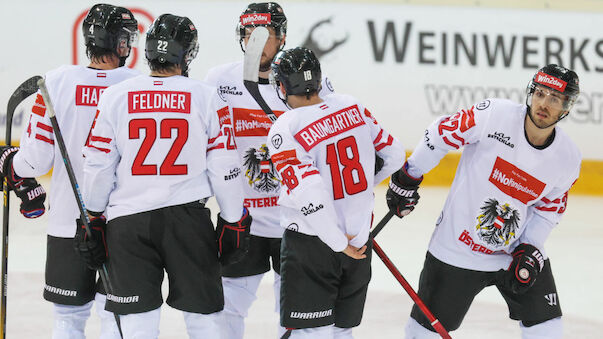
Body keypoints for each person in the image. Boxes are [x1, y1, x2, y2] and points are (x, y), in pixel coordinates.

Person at [81, 14, 251, 338]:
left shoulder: (116, 95)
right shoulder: (206, 96)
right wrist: (233, 220)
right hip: (187, 221)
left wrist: (92, 216)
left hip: (127, 223)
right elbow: (224, 168)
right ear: (187, 53)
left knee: (135, 323)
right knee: (206, 320)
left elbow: (97, 165)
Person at [386, 64, 581, 339]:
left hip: (512, 252)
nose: (543, 103)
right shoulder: (494, 115)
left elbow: (548, 210)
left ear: (566, 107)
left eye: (554, 99)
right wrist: (409, 175)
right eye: (540, 93)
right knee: (423, 334)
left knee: (548, 330)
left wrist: (530, 246)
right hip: (458, 248)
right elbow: (441, 133)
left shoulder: (568, 158)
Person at [0, 4, 140, 338]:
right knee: (115, 316)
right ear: (118, 42)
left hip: (67, 220)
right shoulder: (138, 85)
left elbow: (35, 161)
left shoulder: (56, 82)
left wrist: (10, 163)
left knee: (67, 319)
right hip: (124, 223)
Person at [203, 3, 334, 338]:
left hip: (295, 221)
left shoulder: (307, 83)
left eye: (265, 35)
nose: (255, 43)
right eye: (249, 34)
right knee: (226, 307)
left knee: (293, 317)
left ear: (283, 37)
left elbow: (329, 138)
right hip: (243, 220)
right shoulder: (219, 81)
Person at [266, 47, 407, 338]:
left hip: (313, 244)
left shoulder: (286, 127)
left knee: (311, 333)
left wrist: (336, 241)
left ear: (281, 86)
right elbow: (393, 155)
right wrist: (364, 187)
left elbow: (310, 192)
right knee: (342, 332)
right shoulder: (351, 105)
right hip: (359, 239)